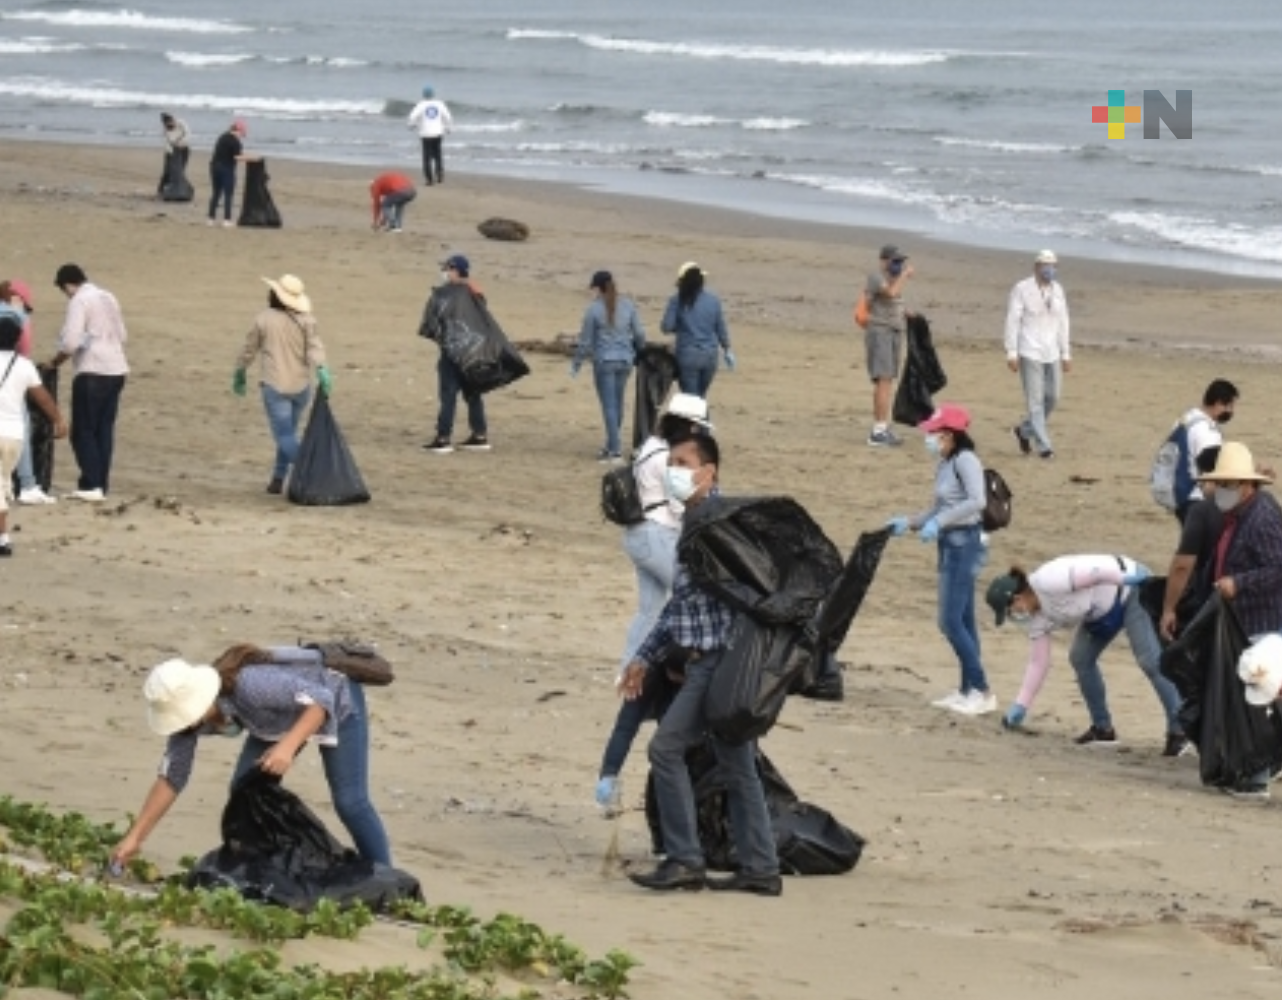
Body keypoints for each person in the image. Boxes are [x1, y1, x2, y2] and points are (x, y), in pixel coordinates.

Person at [620, 434, 782, 896]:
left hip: (717, 661)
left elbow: (727, 598)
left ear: (708, 473)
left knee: (666, 749)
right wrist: (646, 656)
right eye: (671, 462)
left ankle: (685, 860)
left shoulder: (715, 525)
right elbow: (683, 605)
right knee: (737, 762)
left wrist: (653, 655)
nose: (673, 470)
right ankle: (761, 867)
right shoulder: (699, 522)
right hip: (717, 661)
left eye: (683, 462)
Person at [110, 644, 391, 868]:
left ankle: (386, 877)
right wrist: (135, 838)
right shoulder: (188, 725)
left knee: (350, 801)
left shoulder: (249, 685)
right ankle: (265, 865)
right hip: (273, 718)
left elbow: (321, 701)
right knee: (244, 790)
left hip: (335, 699)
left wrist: (287, 747)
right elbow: (172, 778)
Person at [595, 395, 713, 811]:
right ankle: (650, 667)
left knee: (649, 608)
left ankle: (629, 668)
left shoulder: (649, 446)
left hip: (638, 534)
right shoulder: (668, 456)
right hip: (657, 533)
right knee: (684, 595)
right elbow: (682, 500)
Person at [986, 555, 1186, 754]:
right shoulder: (1037, 618)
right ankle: (1103, 729)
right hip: (1101, 613)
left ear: (1017, 598)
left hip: (1129, 590)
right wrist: (1021, 704)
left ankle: (1180, 731)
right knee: (1080, 658)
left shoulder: (1050, 580)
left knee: (1149, 660)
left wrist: (1125, 578)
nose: (1014, 615)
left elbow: (1096, 574)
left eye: (1010, 611)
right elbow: (1038, 663)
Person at [886, 404, 994, 715]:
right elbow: (938, 507)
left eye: (934, 433)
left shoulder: (966, 460)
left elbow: (977, 501)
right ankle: (967, 689)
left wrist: (939, 522)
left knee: (949, 621)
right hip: (949, 542)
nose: (929, 439)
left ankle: (982, 690)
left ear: (949, 435)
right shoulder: (945, 463)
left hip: (964, 543)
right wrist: (911, 522)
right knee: (964, 620)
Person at [233, 275, 331, 495]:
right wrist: (322, 369)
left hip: (275, 385)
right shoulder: (307, 321)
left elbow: (249, 348)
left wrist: (240, 370)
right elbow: (315, 347)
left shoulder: (264, 319)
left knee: (284, 436)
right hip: (301, 385)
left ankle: (311, 472)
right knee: (289, 433)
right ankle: (278, 479)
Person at [46, 264, 128, 502]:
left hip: (93, 370)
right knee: (104, 429)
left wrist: (55, 362)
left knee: (83, 430)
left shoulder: (79, 300)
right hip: (117, 368)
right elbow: (122, 334)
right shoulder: (108, 296)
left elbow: (71, 341)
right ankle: (100, 484)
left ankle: (91, 483)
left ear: (67, 285)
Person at [0, 313, 68, 556]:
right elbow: (43, 399)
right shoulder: (24, 366)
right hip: (13, 436)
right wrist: (58, 420)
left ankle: (3, 538)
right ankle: (2, 538)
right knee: (3, 482)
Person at [571, 270, 646, 461]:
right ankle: (611, 443)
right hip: (625, 360)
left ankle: (615, 449)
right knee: (618, 403)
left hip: (604, 361)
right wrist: (640, 351)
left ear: (597, 288)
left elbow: (585, 341)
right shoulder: (627, 305)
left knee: (609, 406)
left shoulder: (593, 310)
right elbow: (639, 334)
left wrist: (577, 363)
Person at [421, 255, 491, 454]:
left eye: (448, 269)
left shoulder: (448, 294)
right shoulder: (475, 292)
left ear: (456, 270)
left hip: (453, 351)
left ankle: (443, 438)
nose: (445, 272)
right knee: (473, 393)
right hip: (473, 351)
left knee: (448, 394)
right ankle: (479, 434)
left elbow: (438, 321)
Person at [1006, 250, 1070, 459]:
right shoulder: (1022, 289)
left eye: (1052, 265)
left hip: (1052, 351)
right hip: (1029, 349)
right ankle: (1044, 446)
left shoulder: (1058, 290)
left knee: (1052, 397)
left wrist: (1066, 353)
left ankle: (1024, 430)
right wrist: (1012, 351)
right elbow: (1013, 320)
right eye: (1044, 265)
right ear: (1036, 267)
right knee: (1035, 400)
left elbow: (1063, 322)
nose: (1048, 269)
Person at [1160, 445, 1223, 642]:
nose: (1201, 486)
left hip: (1215, 603)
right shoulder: (1263, 505)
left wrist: (1169, 609)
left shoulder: (1201, 511)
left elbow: (1182, 566)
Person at [0, 281, 54, 505]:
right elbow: (24, 347)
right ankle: (28, 484)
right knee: (21, 426)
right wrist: (58, 419)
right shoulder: (18, 316)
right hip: (14, 372)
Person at [1163, 379, 1239, 524]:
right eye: (1230, 406)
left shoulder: (1186, 419)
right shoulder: (1207, 432)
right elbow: (1211, 470)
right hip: (1196, 498)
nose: (1231, 412)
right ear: (1218, 404)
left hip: (1178, 494)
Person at [660, 262, 733, 399]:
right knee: (700, 396)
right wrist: (727, 349)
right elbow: (720, 327)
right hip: (710, 356)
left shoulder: (677, 300)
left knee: (691, 399)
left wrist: (682, 326)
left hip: (688, 356)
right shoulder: (713, 301)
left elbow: (666, 327)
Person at [865, 245, 913, 447]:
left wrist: (908, 315)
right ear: (884, 261)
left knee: (887, 380)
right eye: (895, 262)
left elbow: (895, 301)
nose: (898, 265)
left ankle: (882, 426)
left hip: (894, 331)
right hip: (880, 332)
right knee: (883, 380)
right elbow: (891, 293)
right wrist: (905, 276)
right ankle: (878, 430)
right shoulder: (877, 277)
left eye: (900, 262)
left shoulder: (893, 279)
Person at [406, 84, 453, 186]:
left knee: (426, 157)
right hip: (438, 133)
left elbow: (412, 117)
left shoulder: (421, 105)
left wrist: (411, 125)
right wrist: (448, 128)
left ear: (424, 95)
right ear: (433, 94)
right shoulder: (439, 104)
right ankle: (439, 174)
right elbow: (448, 117)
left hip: (425, 134)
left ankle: (429, 179)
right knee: (438, 154)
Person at [208, 119, 248, 227]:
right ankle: (227, 220)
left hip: (214, 167)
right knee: (228, 194)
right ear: (238, 131)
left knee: (216, 193)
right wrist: (249, 159)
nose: (241, 136)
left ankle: (211, 219)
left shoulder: (222, 137)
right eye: (242, 133)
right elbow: (238, 157)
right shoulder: (235, 141)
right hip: (227, 169)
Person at [158, 112, 190, 197]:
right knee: (167, 171)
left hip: (184, 149)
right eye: (167, 125)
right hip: (171, 151)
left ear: (172, 119)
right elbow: (167, 143)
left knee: (180, 170)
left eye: (171, 123)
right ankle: (161, 190)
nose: (170, 125)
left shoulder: (181, 123)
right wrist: (172, 152)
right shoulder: (166, 131)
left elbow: (187, 134)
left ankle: (182, 189)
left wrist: (181, 143)